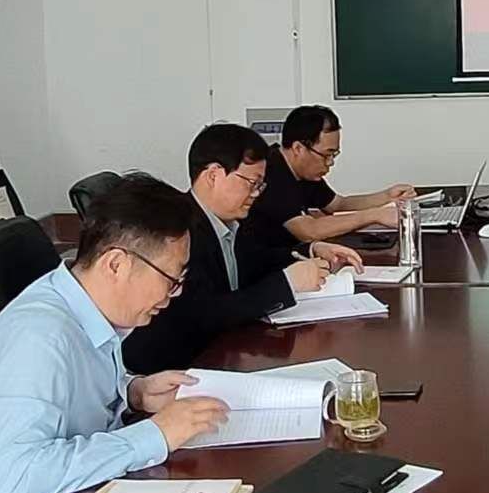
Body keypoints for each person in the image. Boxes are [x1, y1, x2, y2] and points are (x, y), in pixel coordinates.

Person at [0, 173, 231, 493]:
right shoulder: (38, 341)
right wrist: (153, 435)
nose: (172, 295)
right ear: (116, 264)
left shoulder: (84, 306)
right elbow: (14, 481)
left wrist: (134, 392)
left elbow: (66, 392)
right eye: (171, 279)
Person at [122, 123, 363, 374]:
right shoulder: (177, 233)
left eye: (260, 185)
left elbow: (255, 261)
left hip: (222, 355)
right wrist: (286, 283)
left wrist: (311, 250)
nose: (256, 194)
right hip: (176, 368)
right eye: (251, 183)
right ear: (213, 175)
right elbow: (204, 314)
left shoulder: (229, 221)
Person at [241, 104, 417, 252]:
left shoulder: (305, 172)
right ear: (298, 148)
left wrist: (387, 196)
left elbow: (338, 204)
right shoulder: (271, 171)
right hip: (266, 266)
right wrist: (373, 215)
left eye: (334, 155)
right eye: (326, 155)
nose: (330, 162)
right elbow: (309, 231)